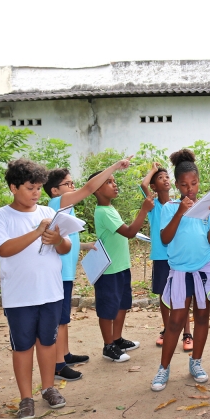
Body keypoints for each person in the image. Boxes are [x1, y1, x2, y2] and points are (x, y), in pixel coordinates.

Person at [0, 159, 71, 419]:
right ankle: (26, 398)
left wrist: (58, 240)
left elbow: (65, 247)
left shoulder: (48, 212)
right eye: (29, 188)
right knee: (22, 346)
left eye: (38, 188)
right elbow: (3, 249)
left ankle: (48, 388)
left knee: (47, 342)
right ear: (13, 187)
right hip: (20, 296)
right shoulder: (0, 216)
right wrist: (37, 232)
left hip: (50, 292)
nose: (36, 193)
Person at [43, 157, 133, 381]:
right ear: (55, 190)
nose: (73, 188)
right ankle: (58, 365)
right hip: (59, 272)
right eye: (68, 184)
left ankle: (64, 354)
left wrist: (85, 245)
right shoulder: (59, 202)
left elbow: (66, 239)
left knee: (64, 318)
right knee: (60, 319)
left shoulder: (66, 210)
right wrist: (114, 166)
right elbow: (90, 187)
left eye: (73, 183)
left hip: (67, 271)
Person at [150, 149, 210, 392]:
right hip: (181, 271)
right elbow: (165, 237)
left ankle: (196, 362)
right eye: (184, 185)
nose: (190, 189)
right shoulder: (170, 207)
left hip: (204, 270)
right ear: (177, 185)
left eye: (194, 183)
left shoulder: (207, 206)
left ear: (198, 182)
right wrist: (181, 212)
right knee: (176, 321)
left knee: (203, 316)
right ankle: (164, 368)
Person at [89, 170, 154, 363]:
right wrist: (143, 210)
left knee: (122, 304)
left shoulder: (109, 209)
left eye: (114, 181)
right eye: (109, 182)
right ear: (97, 189)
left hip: (120, 266)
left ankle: (116, 339)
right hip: (108, 270)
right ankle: (108, 346)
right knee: (107, 308)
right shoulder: (103, 211)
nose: (114, 184)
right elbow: (129, 232)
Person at [140, 163, 193, 351]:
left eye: (167, 177)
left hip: (177, 257)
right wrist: (153, 170)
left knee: (182, 295)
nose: (165, 179)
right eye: (160, 178)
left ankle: (187, 333)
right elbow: (143, 185)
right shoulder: (153, 206)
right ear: (154, 186)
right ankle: (167, 329)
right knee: (164, 295)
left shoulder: (178, 205)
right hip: (161, 257)